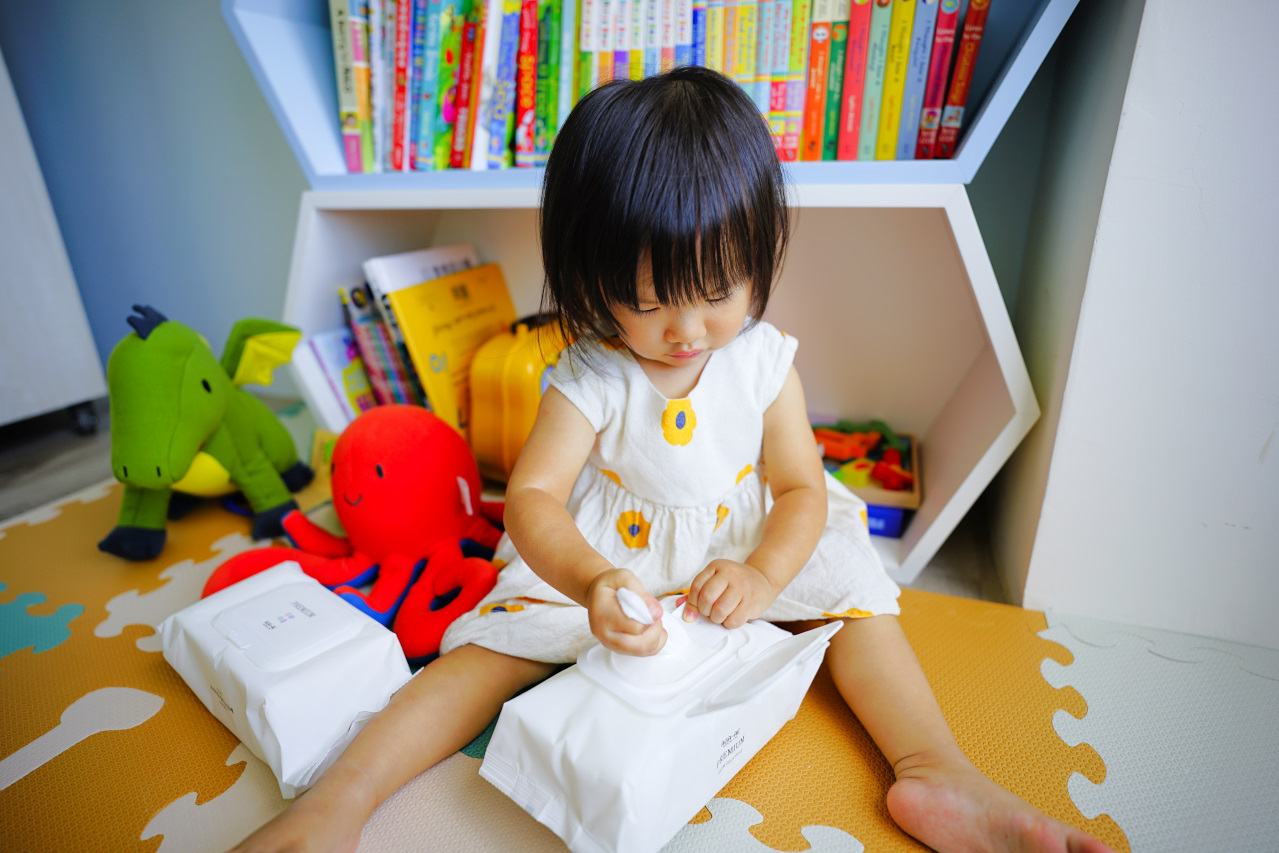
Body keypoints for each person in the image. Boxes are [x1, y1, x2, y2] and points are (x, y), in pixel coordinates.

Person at [231, 67, 1116, 853]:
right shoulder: (591, 372)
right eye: (649, 301)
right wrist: (586, 580)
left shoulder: (763, 360)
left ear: (758, 259)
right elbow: (533, 493)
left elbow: (803, 486)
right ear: (590, 277)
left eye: (716, 293)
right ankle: (339, 803)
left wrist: (768, 576)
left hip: (743, 536)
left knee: (858, 605)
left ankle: (936, 770)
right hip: (611, 554)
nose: (686, 330)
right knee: (482, 656)